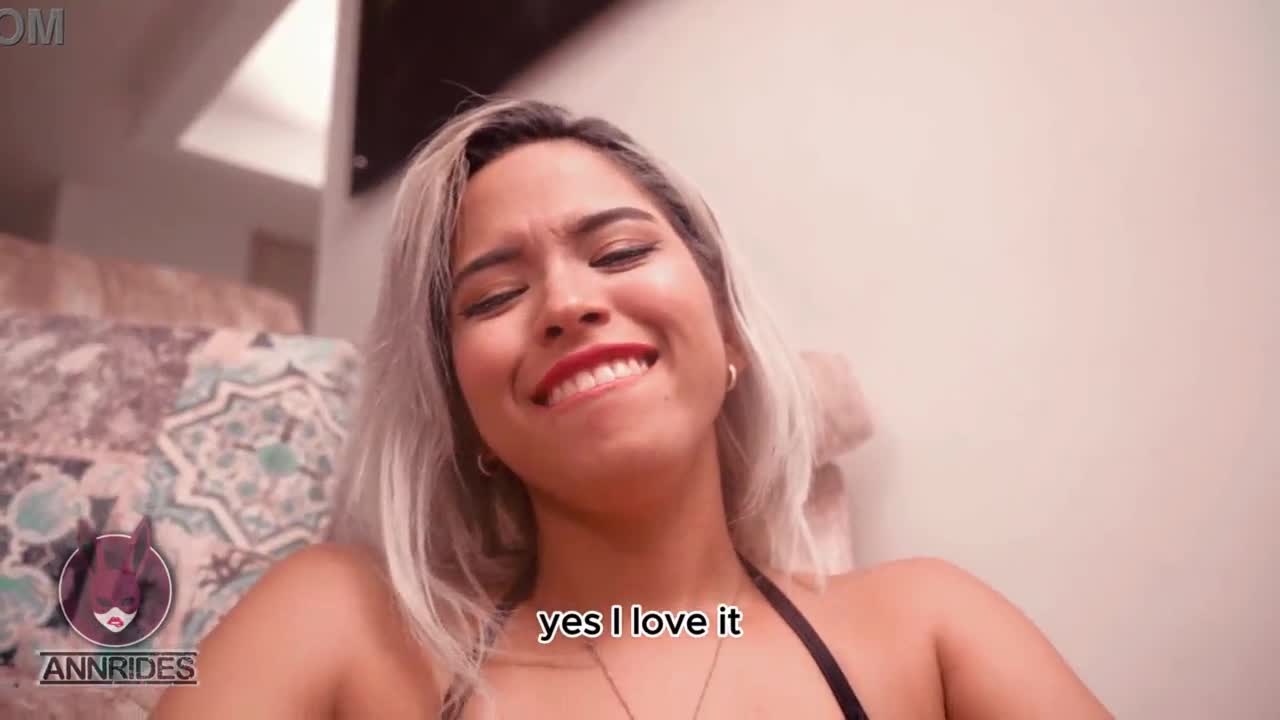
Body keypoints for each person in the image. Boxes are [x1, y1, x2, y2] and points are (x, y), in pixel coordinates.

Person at [152, 99, 1111, 719]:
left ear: (728, 331)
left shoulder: (930, 630)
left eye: (618, 253)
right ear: (464, 411)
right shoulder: (339, 625)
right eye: (493, 297)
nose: (568, 303)